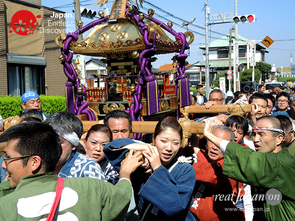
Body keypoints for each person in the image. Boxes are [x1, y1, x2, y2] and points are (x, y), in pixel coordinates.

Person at [0, 121, 141, 220]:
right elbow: (121, 198)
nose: (3, 165)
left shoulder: (6, 205)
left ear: (35, 162)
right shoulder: (91, 187)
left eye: (7, 157)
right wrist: (125, 173)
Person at [203, 116, 295, 221]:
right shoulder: (265, 158)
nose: (255, 139)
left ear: (279, 138)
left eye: (262, 134)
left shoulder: (284, 162)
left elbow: (247, 157)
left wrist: (210, 135)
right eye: (254, 134)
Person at [104, 116, 196, 220]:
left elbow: (174, 206)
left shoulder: (185, 170)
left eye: (175, 143)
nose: (169, 148)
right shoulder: (142, 164)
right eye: (164, 141)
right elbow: (109, 149)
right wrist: (143, 147)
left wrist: (157, 168)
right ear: (153, 139)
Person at [189, 125, 245, 221]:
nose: (215, 147)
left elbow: (210, 174)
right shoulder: (202, 155)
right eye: (212, 141)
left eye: (219, 144)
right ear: (206, 143)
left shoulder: (231, 165)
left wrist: (195, 146)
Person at [45, 112, 106, 180]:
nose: (52, 145)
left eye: (59, 142)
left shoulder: (88, 168)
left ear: (73, 145)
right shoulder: (38, 163)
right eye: (48, 140)